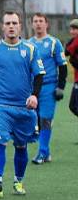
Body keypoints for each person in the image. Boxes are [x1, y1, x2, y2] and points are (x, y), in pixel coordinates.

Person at [0, 11, 45, 198]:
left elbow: (39, 75)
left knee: (21, 146)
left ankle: (18, 181)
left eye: (15, 22)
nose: (11, 26)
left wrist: (35, 95)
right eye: (8, 23)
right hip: (1, 106)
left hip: (24, 108)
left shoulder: (30, 49)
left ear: (20, 26)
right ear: (2, 26)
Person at [28, 13, 67, 164]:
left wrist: (61, 87)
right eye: (35, 21)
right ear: (32, 24)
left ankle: (42, 153)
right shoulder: (28, 43)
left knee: (45, 119)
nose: (38, 24)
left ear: (46, 24)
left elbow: (62, 66)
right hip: (33, 89)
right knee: (35, 121)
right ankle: (47, 151)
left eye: (41, 21)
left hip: (49, 87)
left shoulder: (54, 42)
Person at [62, 19, 78, 119]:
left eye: (75, 29)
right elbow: (67, 52)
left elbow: (67, 51)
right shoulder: (73, 40)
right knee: (73, 106)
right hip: (76, 79)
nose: (72, 31)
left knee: (74, 106)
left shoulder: (76, 41)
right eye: (71, 29)